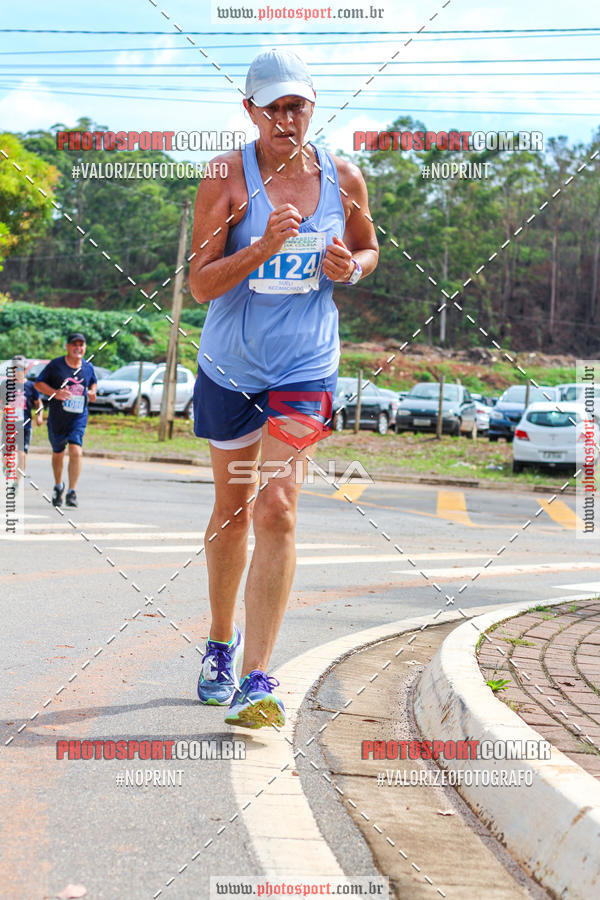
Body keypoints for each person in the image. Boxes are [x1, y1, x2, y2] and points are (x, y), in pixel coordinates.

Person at [189, 49, 379, 729]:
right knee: (234, 509)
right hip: (230, 369)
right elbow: (200, 283)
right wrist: (260, 248)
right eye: (272, 107)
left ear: (313, 106)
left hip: (304, 369)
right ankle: (219, 640)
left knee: (278, 508)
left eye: (296, 105)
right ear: (250, 110)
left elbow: (368, 247)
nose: (286, 118)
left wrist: (348, 269)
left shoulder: (344, 177)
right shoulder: (225, 179)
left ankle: (258, 677)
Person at [34, 333, 97, 508]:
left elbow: (93, 383)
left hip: (78, 416)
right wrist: (56, 393)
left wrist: (92, 393)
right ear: (67, 347)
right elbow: (38, 384)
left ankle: (72, 491)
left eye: (81, 345)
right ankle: (58, 485)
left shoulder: (88, 367)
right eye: (74, 345)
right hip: (57, 417)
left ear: (85, 347)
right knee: (58, 453)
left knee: (76, 450)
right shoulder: (56, 365)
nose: (78, 348)